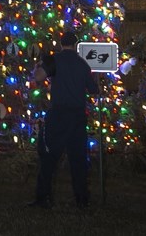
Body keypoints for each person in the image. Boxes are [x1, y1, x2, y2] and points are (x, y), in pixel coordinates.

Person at [29, 30, 98, 210]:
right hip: (77, 117)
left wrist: (38, 65)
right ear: (75, 45)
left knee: (49, 157)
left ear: (61, 44)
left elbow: (38, 77)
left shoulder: (55, 60)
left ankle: (43, 198)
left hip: (58, 115)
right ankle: (82, 200)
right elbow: (93, 90)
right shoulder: (83, 65)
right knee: (78, 159)